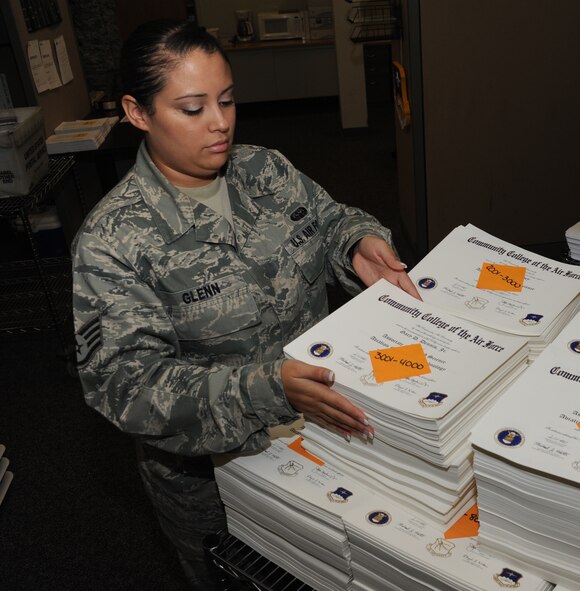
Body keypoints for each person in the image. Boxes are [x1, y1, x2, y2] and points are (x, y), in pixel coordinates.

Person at [71, 19, 419, 589]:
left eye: (227, 100)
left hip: (324, 432)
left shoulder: (265, 170)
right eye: (192, 108)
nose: (220, 123)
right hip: (213, 479)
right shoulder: (113, 240)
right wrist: (268, 388)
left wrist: (357, 242)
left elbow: (328, 219)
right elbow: (129, 387)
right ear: (138, 113)